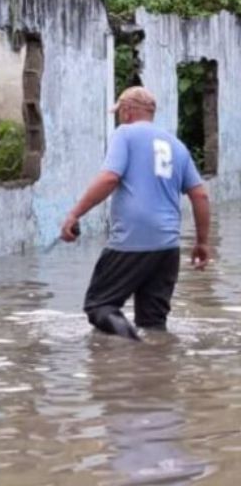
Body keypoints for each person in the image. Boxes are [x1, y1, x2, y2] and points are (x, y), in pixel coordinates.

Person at [60, 86, 211, 340]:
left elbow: (109, 178)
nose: (119, 117)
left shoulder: (125, 134)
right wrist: (202, 242)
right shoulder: (177, 146)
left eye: (120, 112)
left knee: (100, 306)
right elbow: (200, 195)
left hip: (132, 240)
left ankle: (134, 347)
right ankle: (153, 369)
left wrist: (75, 214)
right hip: (167, 247)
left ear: (128, 111)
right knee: (153, 323)